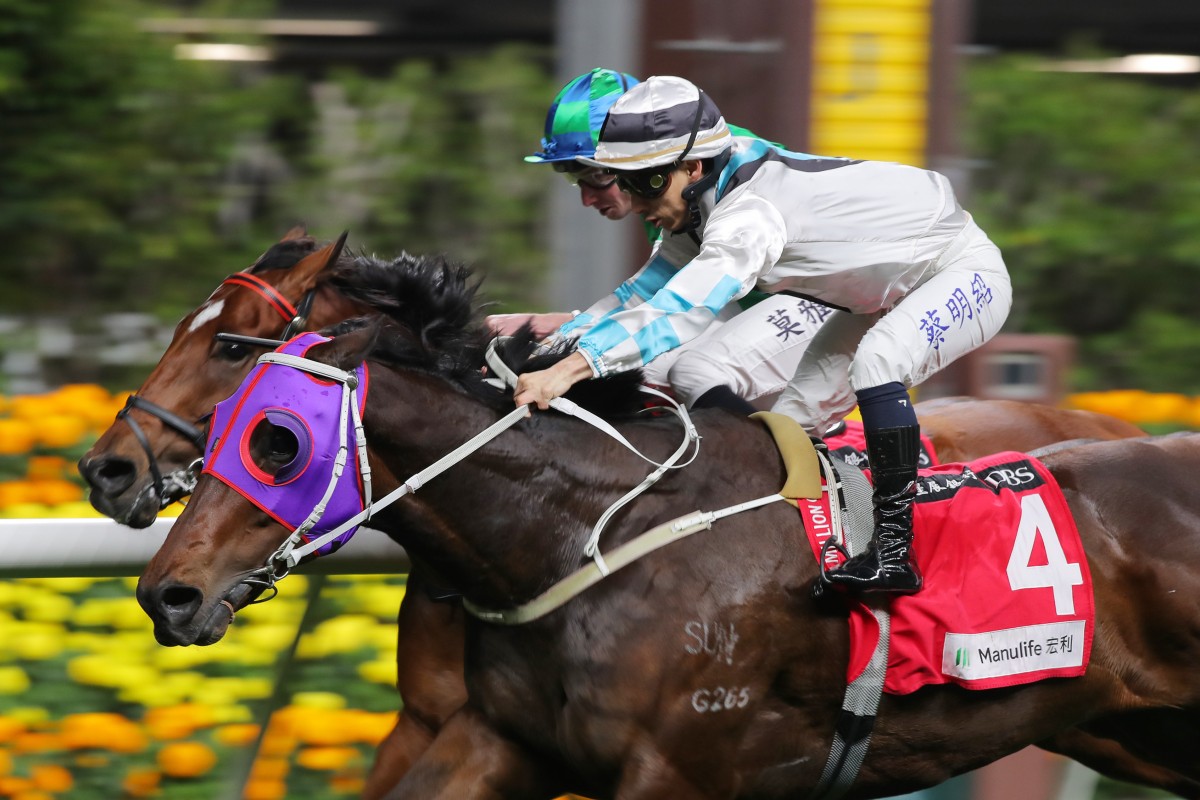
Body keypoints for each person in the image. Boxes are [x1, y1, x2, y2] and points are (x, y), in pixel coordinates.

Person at [513, 76, 1012, 596]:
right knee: (784, 433)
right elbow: (638, 296)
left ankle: (894, 555)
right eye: (626, 182)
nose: (636, 202)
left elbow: (684, 310)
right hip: (874, 297)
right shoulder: (701, 193)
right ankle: (822, 544)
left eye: (646, 184)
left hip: (957, 272)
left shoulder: (749, 213)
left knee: (878, 362)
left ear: (693, 168)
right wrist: (546, 352)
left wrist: (570, 371)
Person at [493, 68, 831, 410]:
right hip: (775, 296)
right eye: (576, 180)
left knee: (668, 370)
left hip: (828, 293)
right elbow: (639, 298)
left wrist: (565, 352)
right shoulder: (666, 181)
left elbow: (671, 309)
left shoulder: (690, 182)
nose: (587, 198)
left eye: (597, 175)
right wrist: (550, 347)